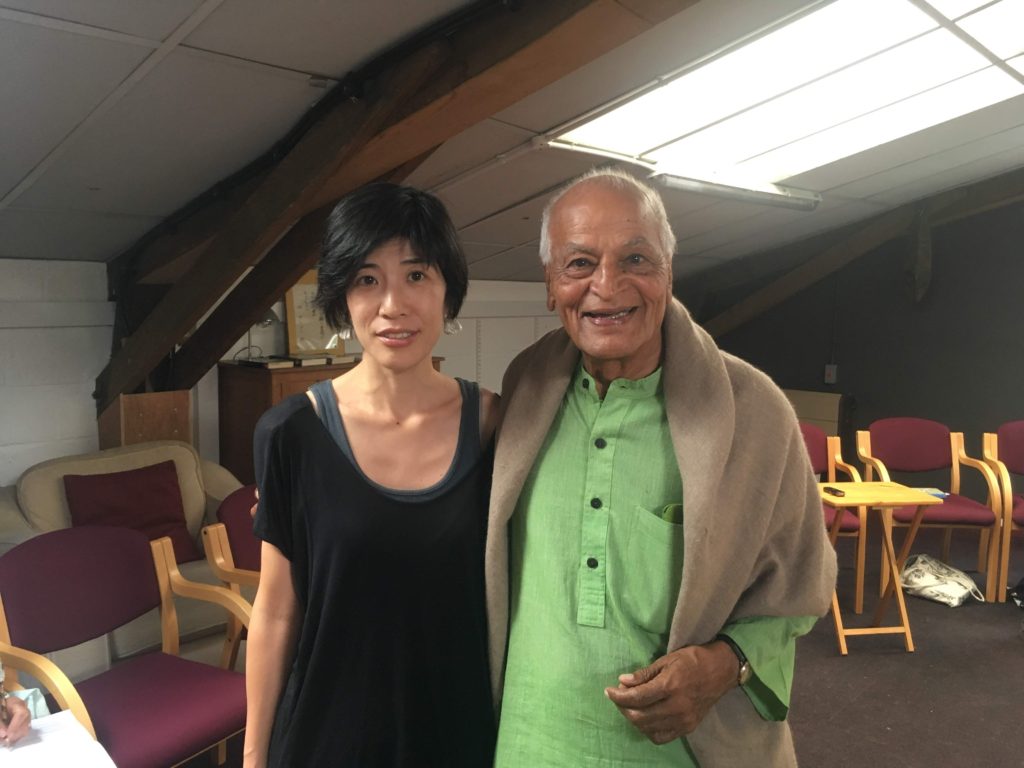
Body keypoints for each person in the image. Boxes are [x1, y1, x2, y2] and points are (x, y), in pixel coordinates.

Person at [485, 168, 837, 766]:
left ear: (669, 273)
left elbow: (800, 588)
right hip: (526, 743)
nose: (607, 285)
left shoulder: (753, 410)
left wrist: (723, 664)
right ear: (550, 284)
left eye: (636, 259)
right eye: (579, 263)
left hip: (681, 752)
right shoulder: (525, 387)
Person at [244, 183, 499, 767]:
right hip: (328, 737)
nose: (392, 305)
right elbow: (276, 612)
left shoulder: (493, 424)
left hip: (457, 736)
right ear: (342, 296)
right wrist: (253, 758)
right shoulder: (290, 433)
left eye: (416, 275)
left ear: (448, 290)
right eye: (366, 279)